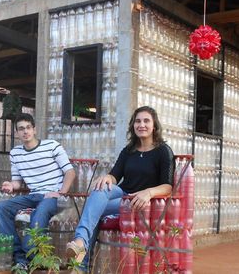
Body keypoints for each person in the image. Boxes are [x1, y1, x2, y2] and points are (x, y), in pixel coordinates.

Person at [66, 106, 174, 266]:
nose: (141, 125)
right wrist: (106, 177)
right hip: (123, 192)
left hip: (138, 200)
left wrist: (149, 192)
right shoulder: (128, 151)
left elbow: (168, 186)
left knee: (94, 208)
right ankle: (81, 241)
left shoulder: (163, 151)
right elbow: (115, 176)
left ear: (154, 126)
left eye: (146, 121)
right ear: (133, 125)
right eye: (137, 121)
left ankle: (81, 263)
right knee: (100, 188)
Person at [0, 113, 76, 270]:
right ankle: (19, 256)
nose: (25, 132)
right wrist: (11, 186)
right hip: (33, 195)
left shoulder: (52, 146)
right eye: (21, 129)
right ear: (17, 132)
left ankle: (29, 256)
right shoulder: (15, 153)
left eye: (28, 128)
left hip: (52, 196)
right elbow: (17, 182)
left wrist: (60, 193)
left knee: (41, 209)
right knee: (1, 207)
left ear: (34, 129)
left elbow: (70, 172)